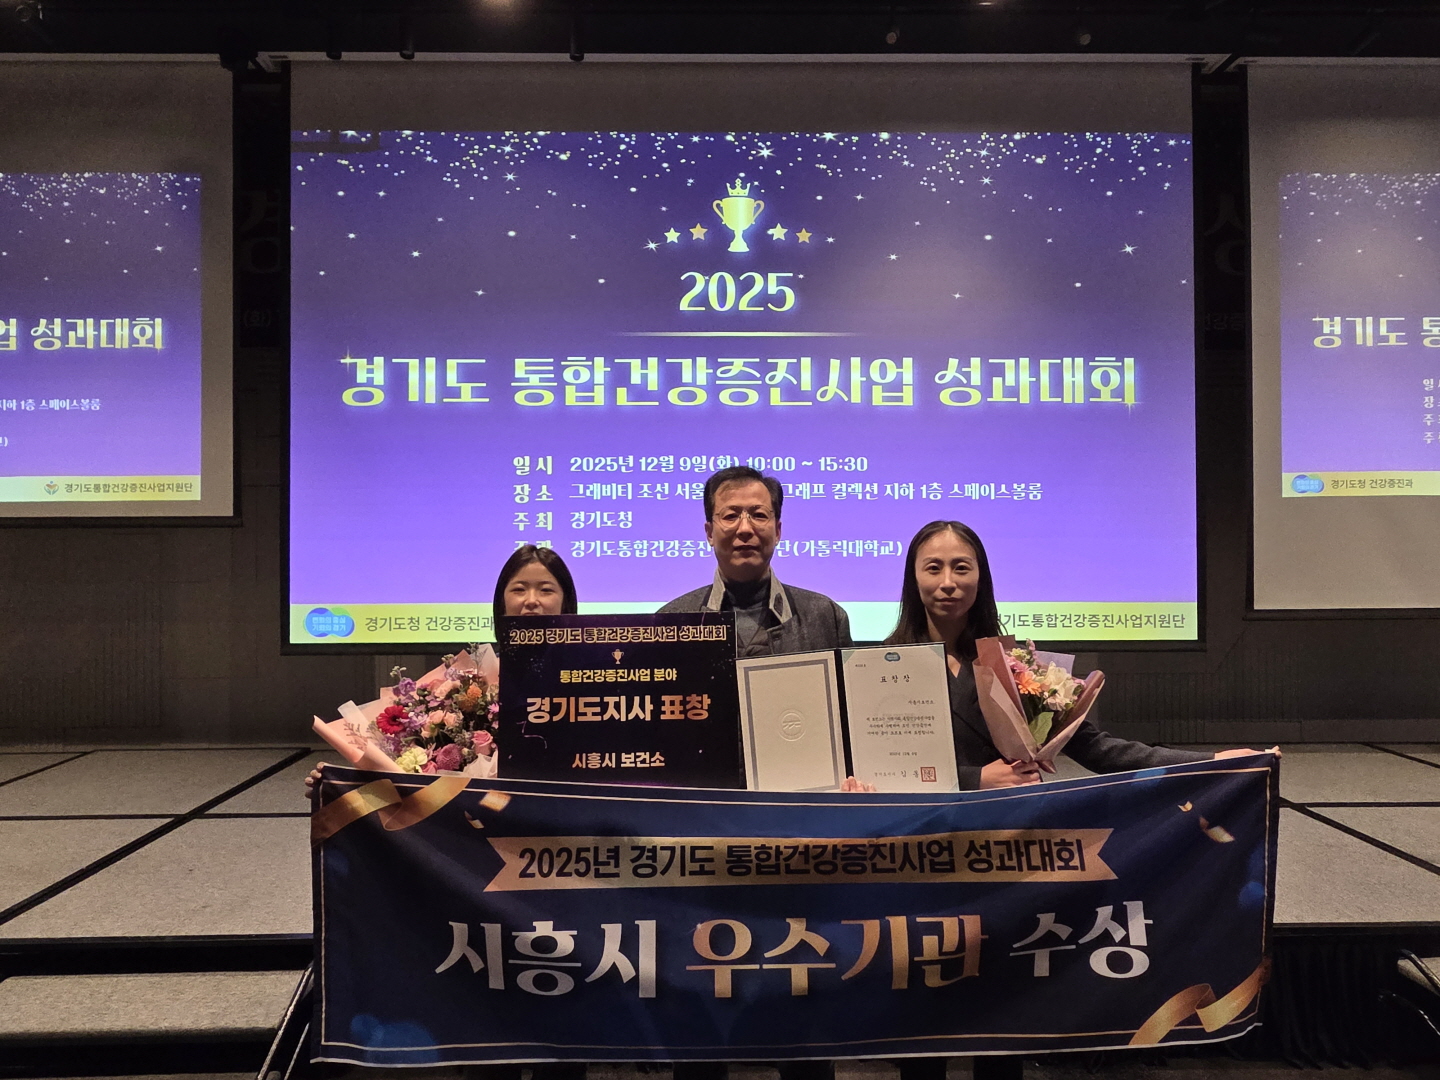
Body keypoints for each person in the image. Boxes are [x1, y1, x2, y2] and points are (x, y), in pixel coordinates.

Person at [887, 520, 1276, 791]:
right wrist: (975, 779)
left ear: (980, 578)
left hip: (1008, 829)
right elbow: (877, 767)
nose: (948, 582)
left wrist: (1212, 761)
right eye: (933, 568)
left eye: (961, 568)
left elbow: (1097, 749)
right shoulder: (882, 666)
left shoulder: (1016, 664)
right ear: (914, 578)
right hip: (922, 832)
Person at [304, 544, 578, 791]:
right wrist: (339, 786)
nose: (531, 600)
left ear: (565, 600)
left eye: (546, 589)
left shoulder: (589, 674)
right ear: (502, 602)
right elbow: (406, 769)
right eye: (519, 589)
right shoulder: (470, 683)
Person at [659, 465, 852, 657]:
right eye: (730, 516)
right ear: (710, 533)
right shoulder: (670, 622)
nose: (745, 529)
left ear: (777, 532)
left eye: (759, 515)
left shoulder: (826, 618)